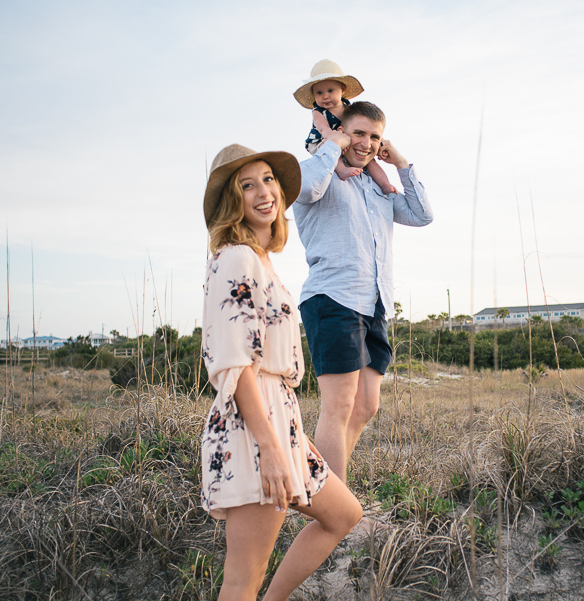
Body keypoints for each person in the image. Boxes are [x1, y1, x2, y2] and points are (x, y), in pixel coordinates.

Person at [200, 143, 362, 601]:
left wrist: (291, 434)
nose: (263, 192)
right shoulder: (236, 258)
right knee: (243, 578)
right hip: (253, 427)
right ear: (233, 201)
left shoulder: (262, 259)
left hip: (279, 421)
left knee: (343, 514)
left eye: (268, 179)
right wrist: (270, 446)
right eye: (246, 185)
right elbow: (235, 365)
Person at [293, 101, 433, 487]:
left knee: (366, 407)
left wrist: (400, 162)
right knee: (337, 408)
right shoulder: (316, 169)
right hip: (332, 299)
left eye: (374, 136)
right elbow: (306, 189)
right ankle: (333, 508)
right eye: (358, 133)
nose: (366, 143)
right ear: (340, 130)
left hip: (373, 305)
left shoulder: (378, 186)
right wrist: (331, 145)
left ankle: (322, 489)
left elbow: (422, 214)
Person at [293, 59, 397, 195]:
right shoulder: (318, 112)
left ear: (342, 90)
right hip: (321, 140)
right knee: (335, 156)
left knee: (371, 162)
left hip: (343, 140)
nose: (325, 96)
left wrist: (376, 144)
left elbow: (361, 126)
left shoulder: (349, 108)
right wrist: (334, 142)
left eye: (330, 90)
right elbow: (323, 128)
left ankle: (385, 184)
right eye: (319, 93)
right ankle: (341, 170)